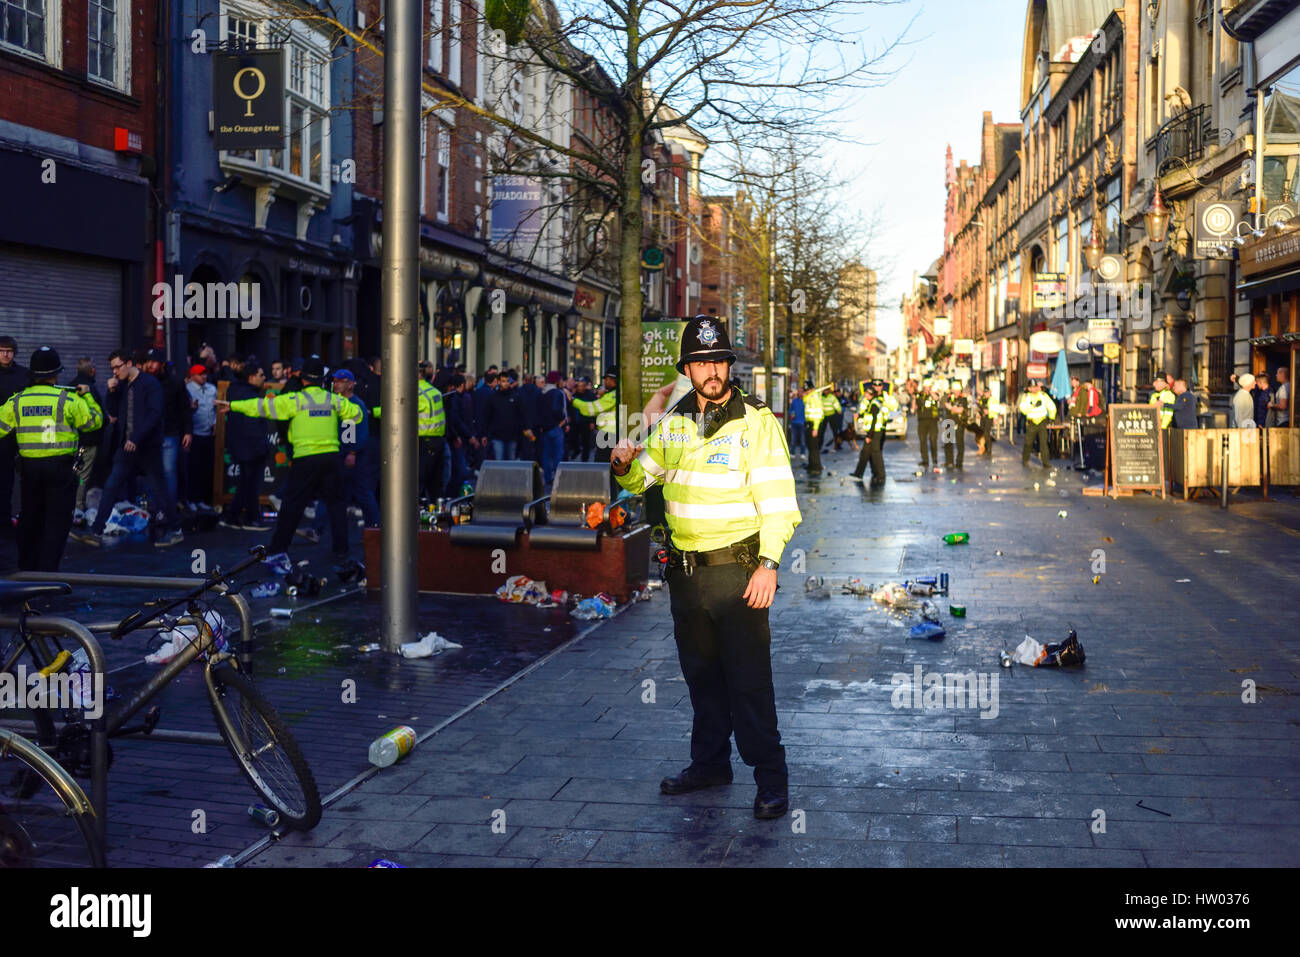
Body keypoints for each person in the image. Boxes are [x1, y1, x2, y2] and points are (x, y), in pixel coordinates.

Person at [610, 315, 800, 820]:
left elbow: (779, 504)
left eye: (718, 361)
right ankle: (711, 764)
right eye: (700, 362)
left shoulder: (755, 423)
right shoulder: (674, 423)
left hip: (738, 574)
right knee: (702, 678)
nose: (711, 371)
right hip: (685, 576)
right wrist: (624, 463)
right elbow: (641, 481)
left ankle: (771, 780)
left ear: (728, 365)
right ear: (688, 370)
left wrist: (769, 564)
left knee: (749, 681)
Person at [216, 355, 362, 569]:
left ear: (303, 380)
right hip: (331, 458)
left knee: (292, 507)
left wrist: (234, 406)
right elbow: (356, 414)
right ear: (322, 379)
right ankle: (341, 549)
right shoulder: (333, 400)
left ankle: (277, 550)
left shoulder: (295, 400)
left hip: (305, 459)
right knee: (336, 505)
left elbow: (262, 407)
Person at [0, 347, 102, 570]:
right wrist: (88, 396)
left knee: (29, 519)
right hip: (60, 469)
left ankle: (27, 569)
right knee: (57, 521)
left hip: (29, 470)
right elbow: (93, 422)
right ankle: (48, 573)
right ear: (55, 374)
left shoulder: (17, 401)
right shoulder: (68, 399)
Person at [75, 349, 184, 547]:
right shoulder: (123, 385)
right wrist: (112, 391)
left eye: (118, 367)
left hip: (147, 447)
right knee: (111, 486)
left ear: (130, 363)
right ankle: (97, 531)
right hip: (126, 447)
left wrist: (136, 437)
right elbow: (113, 414)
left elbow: (154, 414)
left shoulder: (150, 384)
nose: (115, 372)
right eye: (112, 368)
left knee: (159, 488)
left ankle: (175, 529)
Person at [219, 362, 273, 531]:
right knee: (251, 483)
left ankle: (233, 516)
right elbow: (252, 425)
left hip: (241, 445)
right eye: (261, 374)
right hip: (251, 446)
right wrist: (262, 447)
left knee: (245, 482)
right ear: (251, 377)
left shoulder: (236, 390)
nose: (264, 378)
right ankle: (251, 519)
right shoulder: (250, 395)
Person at [143, 348, 193, 507]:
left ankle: (168, 508)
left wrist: (187, 431)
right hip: (149, 433)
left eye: (154, 362)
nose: (150, 365)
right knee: (152, 472)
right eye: (148, 361)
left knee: (169, 471)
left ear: (162, 364)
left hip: (169, 432)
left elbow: (184, 408)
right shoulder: (144, 381)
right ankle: (153, 507)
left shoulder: (175, 382)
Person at [0, 335, 32, 532]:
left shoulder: (23, 374)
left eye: (9, 351)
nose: (5, 354)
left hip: (19, 438)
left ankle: (5, 522)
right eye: (2, 350)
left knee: (8, 483)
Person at [69, 356, 105, 524]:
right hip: (88, 441)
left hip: (71, 441)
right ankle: (78, 507)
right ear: (92, 371)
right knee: (82, 476)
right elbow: (98, 416)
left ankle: (73, 506)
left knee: (73, 474)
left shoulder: (70, 386)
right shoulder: (89, 389)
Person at [850, 379, 897, 486]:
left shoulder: (885, 397)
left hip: (878, 429)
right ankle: (862, 473)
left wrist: (887, 400)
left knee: (876, 452)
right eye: (875, 385)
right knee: (867, 452)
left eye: (879, 385)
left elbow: (893, 408)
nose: (877, 387)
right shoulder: (869, 400)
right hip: (872, 429)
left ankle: (879, 475)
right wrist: (860, 415)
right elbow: (865, 410)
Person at [185, 364, 217, 508]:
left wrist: (216, 423)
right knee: (193, 468)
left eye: (205, 373)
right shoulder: (187, 389)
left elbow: (215, 408)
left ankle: (202, 500)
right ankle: (191, 499)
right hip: (195, 434)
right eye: (200, 374)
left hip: (209, 433)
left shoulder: (212, 389)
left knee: (206, 468)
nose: (204, 376)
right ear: (192, 376)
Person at [572, 366, 618, 448]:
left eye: (606, 379)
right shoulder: (613, 394)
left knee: (601, 459)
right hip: (611, 434)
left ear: (612, 380)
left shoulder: (613, 395)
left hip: (609, 435)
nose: (604, 382)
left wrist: (573, 401)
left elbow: (591, 408)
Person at [538, 371, 569, 483]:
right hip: (556, 427)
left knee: (546, 455)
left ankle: (547, 478)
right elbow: (557, 410)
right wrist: (562, 420)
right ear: (557, 381)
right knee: (557, 454)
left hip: (545, 428)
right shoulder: (557, 393)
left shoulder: (542, 392)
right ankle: (557, 477)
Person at [1019, 379, 1056, 468]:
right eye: (1031, 387)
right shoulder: (1026, 397)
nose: (1034, 389)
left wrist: (1051, 417)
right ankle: (1025, 460)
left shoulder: (1043, 396)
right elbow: (1022, 408)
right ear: (1029, 388)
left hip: (1042, 422)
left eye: (1035, 387)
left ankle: (1046, 462)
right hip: (1032, 422)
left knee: (1043, 443)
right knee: (1028, 443)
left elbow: (1051, 406)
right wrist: (1032, 407)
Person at [943, 385, 970, 470]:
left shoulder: (963, 399)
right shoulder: (949, 398)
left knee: (959, 443)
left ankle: (959, 462)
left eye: (957, 390)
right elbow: (943, 403)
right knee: (948, 443)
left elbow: (960, 410)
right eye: (954, 390)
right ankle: (949, 462)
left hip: (959, 423)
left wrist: (951, 407)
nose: (956, 392)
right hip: (949, 422)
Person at [915, 382, 940, 468]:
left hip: (932, 421)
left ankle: (935, 459)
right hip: (922, 421)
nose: (927, 389)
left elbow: (937, 399)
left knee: (933, 440)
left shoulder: (934, 394)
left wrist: (931, 392)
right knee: (923, 441)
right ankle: (925, 460)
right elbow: (915, 406)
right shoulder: (919, 395)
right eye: (925, 387)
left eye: (928, 387)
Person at [802, 382, 825, 474]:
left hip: (814, 424)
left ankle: (816, 467)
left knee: (814, 446)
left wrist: (815, 428)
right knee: (810, 445)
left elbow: (818, 414)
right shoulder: (810, 397)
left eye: (807, 390)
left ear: (811, 389)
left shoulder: (815, 398)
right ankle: (811, 464)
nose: (806, 392)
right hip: (809, 423)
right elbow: (805, 401)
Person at [787, 387, 806, 457]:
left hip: (802, 422)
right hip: (794, 422)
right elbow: (790, 409)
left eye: (801, 391)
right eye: (799, 391)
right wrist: (791, 413)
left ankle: (802, 453)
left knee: (802, 439)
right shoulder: (794, 401)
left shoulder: (805, 401)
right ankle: (792, 452)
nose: (800, 393)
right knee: (793, 439)